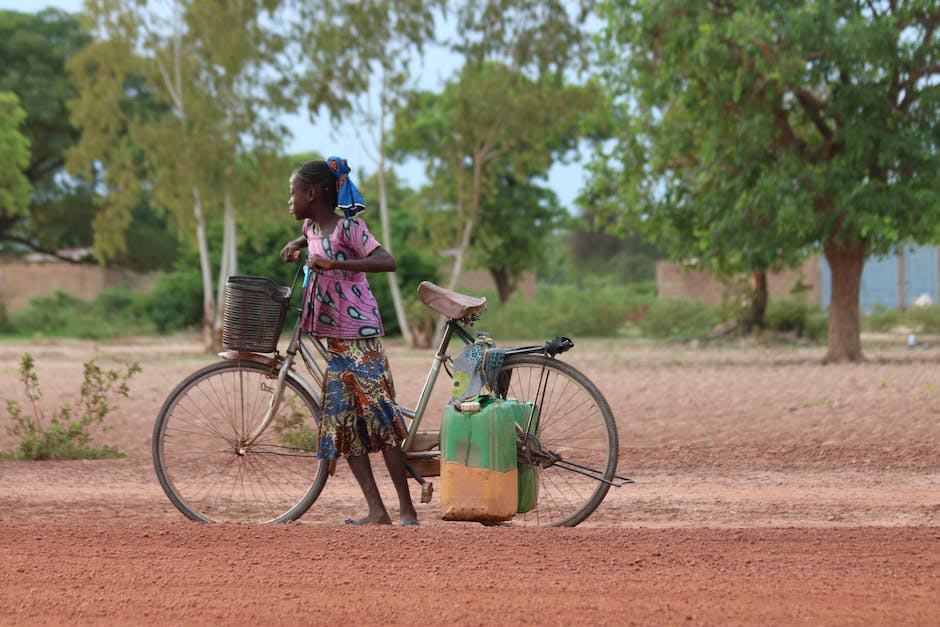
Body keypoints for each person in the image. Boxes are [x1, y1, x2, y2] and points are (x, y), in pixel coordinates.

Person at [280, 157, 419, 526]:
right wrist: (296, 243)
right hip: (336, 345)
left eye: (293, 193)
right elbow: (311, 236)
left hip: (360, 338)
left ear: (312, 193)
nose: (289, 201)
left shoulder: (349, 229)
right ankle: (377, 510)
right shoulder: (311, 226)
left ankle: (408, 511)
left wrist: (336, 265)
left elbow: (386, 260)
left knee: (381, 418)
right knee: (343, 424)